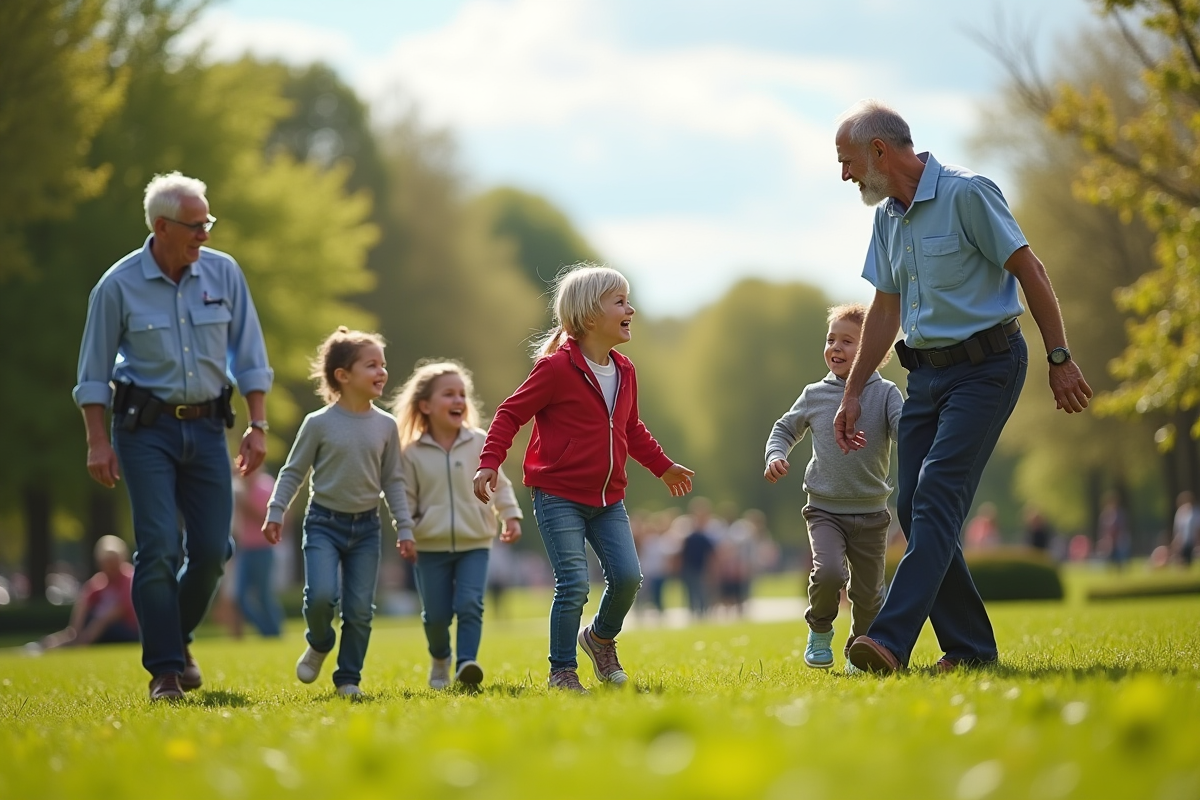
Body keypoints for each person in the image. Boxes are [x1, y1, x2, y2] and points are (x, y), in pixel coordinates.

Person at [831, 100, 1092, 675]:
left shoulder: (968, 194)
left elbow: (1031, 271)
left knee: (937, 497)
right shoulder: (886, 218)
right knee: (914, 504)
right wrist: (853, 392)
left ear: (879, 151)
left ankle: (890, 642)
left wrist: (1060, 357)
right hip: (924, 375)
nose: (845, 174)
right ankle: (971, 650)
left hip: (987, 368)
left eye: (848, 161)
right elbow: (884, 310)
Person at [73, 171, 273, 701]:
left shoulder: (224, 274)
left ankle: (176, 638)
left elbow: (249, 354)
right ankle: (165, 670)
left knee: (212, 549)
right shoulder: (117, 286)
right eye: (194, 224)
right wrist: (98, 440)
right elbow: (92, 372)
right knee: (158, 545)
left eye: (208, 222)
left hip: (209, 429)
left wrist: (257, 424)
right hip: (145, 431)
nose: (205, 234)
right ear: (161, 226)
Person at [473, 264, 695, 692]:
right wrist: (489, 461)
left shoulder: (625, 370)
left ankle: (598, 639)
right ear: (590, 316)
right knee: (573, 582)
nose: (631, 308)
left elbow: (631, 428)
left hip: (608, 498)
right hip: (558, 495)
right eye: (620, 302)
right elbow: (509, 413)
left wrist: (662, 466)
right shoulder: (555, 369)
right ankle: (563, 671)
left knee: (629, 577)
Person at [263, 328, 415, 698]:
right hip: (323, 524)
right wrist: (276, 509)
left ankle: (348, 680)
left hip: (365, 528)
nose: (382, 372)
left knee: (360, 610)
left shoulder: (386, 425)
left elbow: (393, 480)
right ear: (343, 376)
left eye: (383, 364)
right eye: (371, 365)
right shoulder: (318, 423)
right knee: (320, 597)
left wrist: (404, 527)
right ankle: (319, 641)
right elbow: (294, 471)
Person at [765, 303, 903, 671]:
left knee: (869, 595)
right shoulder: (815, 394)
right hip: (825, 508)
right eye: (831, 340)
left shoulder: (887, 394)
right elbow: (784, 429)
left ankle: (860, 647)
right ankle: (820, 628)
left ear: (876, 350)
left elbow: (905, 430)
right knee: (828, 574)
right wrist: (775, 455)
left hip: (872, 513)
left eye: (848, 341)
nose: (836, 348)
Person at [393, 360, 523, 690]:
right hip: (429, 544)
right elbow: (402, 496)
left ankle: (467, 663)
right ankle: (441, 660)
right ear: (425, 405)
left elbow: (500, 484)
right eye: (448, 394)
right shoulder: (410, 452)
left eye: (462, 394)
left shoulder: (480, 441)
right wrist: (406, 529)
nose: (458, 401)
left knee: (470, 605)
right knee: (435, 616)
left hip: (474, 542)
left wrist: (510, 515)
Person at [31, 536, 140, 652]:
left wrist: (88, 635)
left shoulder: (129, 579)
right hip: (96, 628)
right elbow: (82, 608)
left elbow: (114, 613)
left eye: (113, 561)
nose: (110, 566)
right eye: (107, 562)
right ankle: (44, 645)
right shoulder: (98, 583)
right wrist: (71, 634)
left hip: (125, 629)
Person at [234, 470, 283, 637]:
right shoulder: (237, 489)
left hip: (263, 548)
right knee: (240, 597)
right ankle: (269, 632)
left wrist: (246, 504)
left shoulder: (266, 487)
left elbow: (269, 519)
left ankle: (274, 633)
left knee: (264, 596)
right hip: (245, 550)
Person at [679, 497, 719, 618]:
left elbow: (712, 553)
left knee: (702, 591)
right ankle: (694, 612)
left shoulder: (709, 532)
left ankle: (702, 612)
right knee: (691, 591)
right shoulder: (685, 530)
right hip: (689, 566)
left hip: (702, 567)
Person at [1173, 491, 1198, 567]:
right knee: (1182, 558)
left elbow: (1197, 528)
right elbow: (1178, 529)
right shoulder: (1180, 512)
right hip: (1183, 540)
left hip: (1192, 540)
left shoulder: (1196, 512)